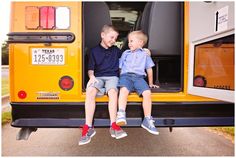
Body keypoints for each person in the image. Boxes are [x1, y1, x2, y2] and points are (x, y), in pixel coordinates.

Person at [79, 25, 127, 145]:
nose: (113, 40)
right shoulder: (94, 51)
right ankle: (88, 126)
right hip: (98, 77)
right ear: (102, 35)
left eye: (115, 38)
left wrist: (144, 50)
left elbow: (129, 57)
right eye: (111, 37)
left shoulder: (116, 50)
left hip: (112, 77)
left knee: (113, 92)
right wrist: (91, 77)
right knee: (90, 91)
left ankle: (113, 125)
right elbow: (91, 69)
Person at [116, 30, 159, 135]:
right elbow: (120, 67)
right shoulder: (126, 53)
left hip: (139, 78)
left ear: (140, 43)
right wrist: (119, 79)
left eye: (131, 41)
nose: (129, 43)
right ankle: (121, 113)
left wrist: (150, 83)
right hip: (126, 76)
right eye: (129, 41)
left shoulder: (145, 54)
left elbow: (149, 69)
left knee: (147, 93)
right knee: (124, 90)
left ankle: (147, 119)